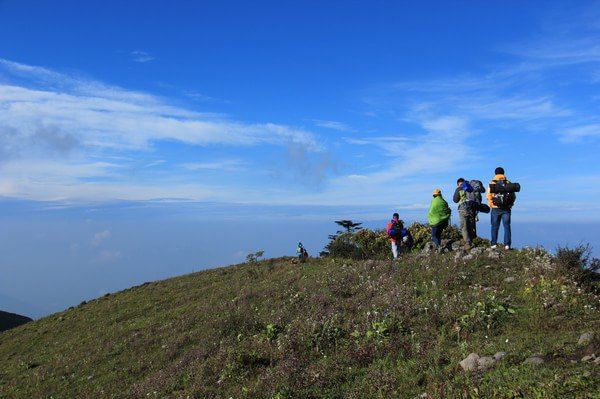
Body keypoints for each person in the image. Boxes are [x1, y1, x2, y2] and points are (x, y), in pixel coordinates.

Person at [486, 167, 516, 250]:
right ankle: (507, 245)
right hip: (506, 208)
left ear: (495, 173)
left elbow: (488, 196)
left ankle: (493, 244)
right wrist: (511, 204)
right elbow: (513, 196)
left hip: (495, 208)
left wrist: (492, 204)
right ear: (503, 173)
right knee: (507, 226)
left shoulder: (492, 183)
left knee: (494, 226)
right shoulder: (508, 183)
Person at [453, 178, 477, 249]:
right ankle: (472, 241)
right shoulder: (470, 187)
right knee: (470, 225)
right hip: (472, 209)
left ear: (458, 184)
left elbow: (455, 200)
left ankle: (467, 243)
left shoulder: (459, 188)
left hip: (463, 208)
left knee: (464, 226)